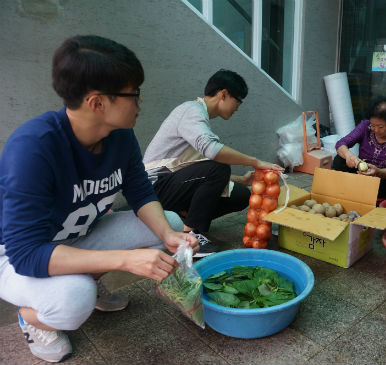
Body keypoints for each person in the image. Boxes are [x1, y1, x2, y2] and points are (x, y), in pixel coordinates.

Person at [0, 35, 199, 363]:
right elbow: (27, 253)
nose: (139, 104)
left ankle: (87, 277)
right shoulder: (33, 149)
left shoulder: (119, 135)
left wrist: (167, 235)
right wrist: (123, 260)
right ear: (97, 103)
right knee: (75, 298)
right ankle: (32, 317)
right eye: (134, 94)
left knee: (172, 224)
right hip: (15, 255)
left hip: (75, 236)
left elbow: (139, 190)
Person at [143, 69, 283, 256]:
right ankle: (190, 235)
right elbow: (212, 152)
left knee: (241, 195)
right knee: (218, 167)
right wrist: (256, 162)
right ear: (223, 94)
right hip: (153, 190)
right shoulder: (191, 110)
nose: (237, 108)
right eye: (238, 101)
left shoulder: (199, 117)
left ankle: (181, 216)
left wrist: (241, 179)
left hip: (171, 184)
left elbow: (195, 168)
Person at [332, 95, 386, 198]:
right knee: (339, 159)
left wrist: (377, 172)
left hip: (384, 184)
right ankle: (344, 194)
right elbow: (341, 144)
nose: (375, 130)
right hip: (360, 179)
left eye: (381, 127)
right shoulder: (365, 126)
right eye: (373, 125)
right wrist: (349, 156)